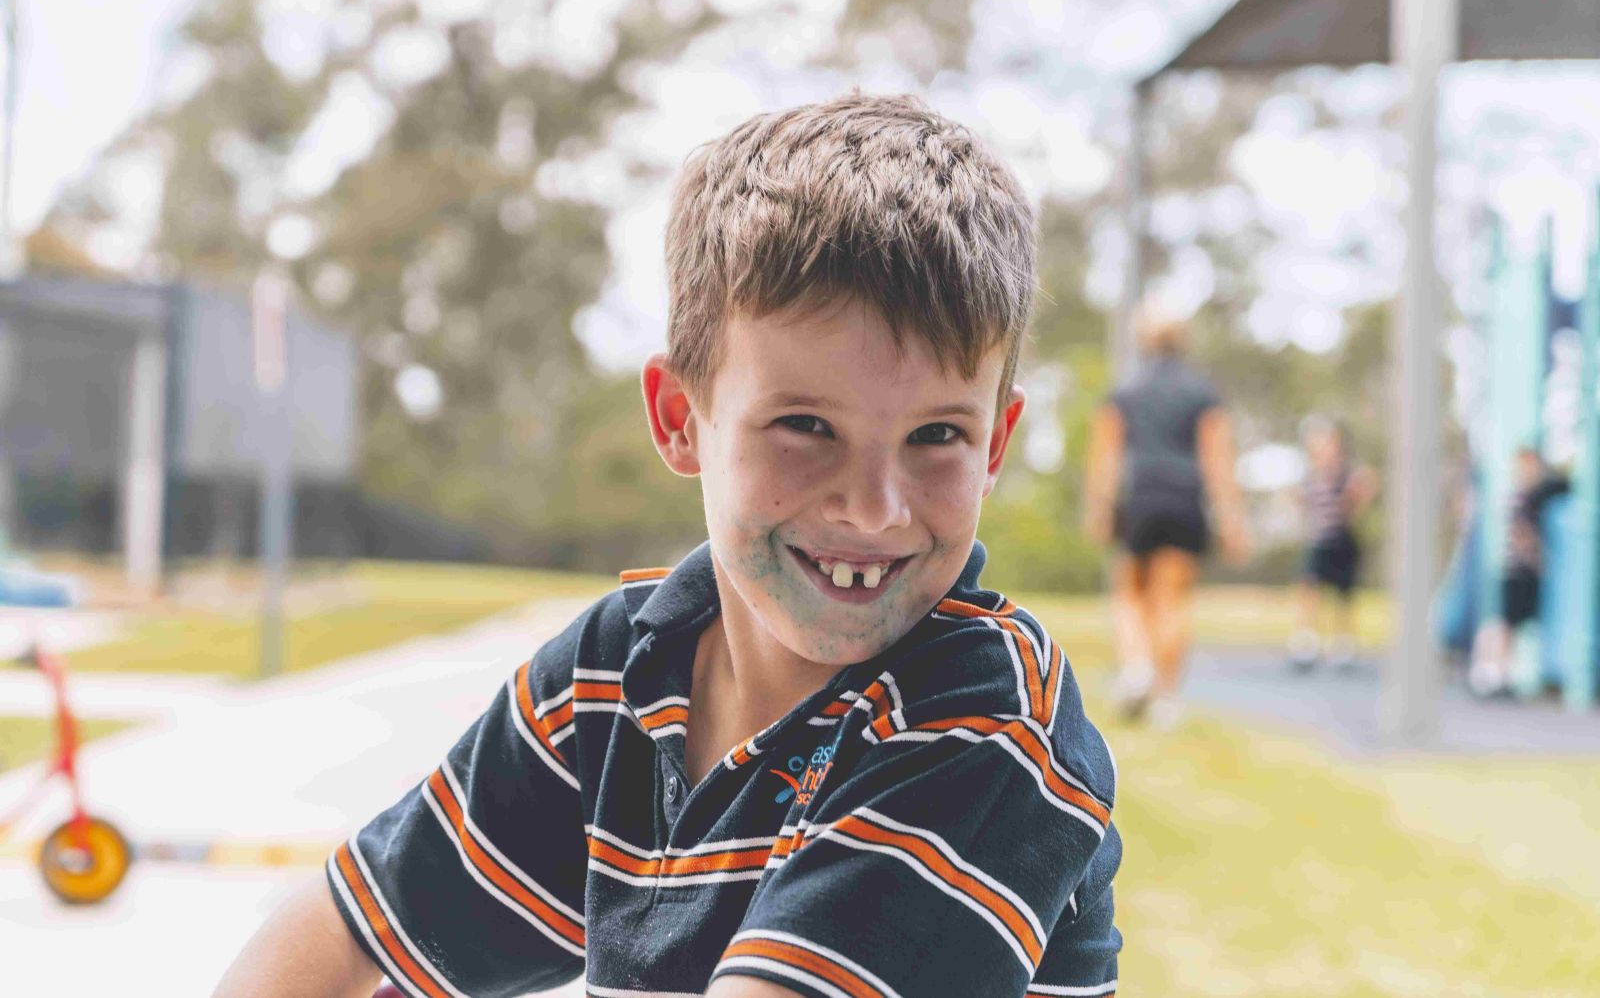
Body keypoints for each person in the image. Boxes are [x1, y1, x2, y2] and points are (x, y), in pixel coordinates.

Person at [213, 94, 1121, 998]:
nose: (875, 511)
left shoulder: (990, 718)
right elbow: (341, 924)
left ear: (995, 444)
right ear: (680, 418)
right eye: (806, 425)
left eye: (936, 438)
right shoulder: (615, 677)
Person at [1082, 301, 1248, 729]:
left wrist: (1099, 508)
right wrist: (1232, 520)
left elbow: (1107, 455)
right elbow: (1218, 460)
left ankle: (1136, 667)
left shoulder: (1125, 391)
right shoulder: (1202, 394)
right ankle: (1165, 700)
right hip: (1185, 501)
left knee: (1130, 594)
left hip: (1142, 498)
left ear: (1143, 340)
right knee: (1172, 600)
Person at [1469, 446, 1569, 698]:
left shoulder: (1523, 495)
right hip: (1517, 570)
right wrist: (1535, 556)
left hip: (1515, 569)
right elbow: (1521, 532)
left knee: (1508, 623)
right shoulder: (1523, 497)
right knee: (1505, 623)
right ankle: (1490, 672)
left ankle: (1495, 672)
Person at [1286, 414, 1378, 671]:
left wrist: (1351, 503)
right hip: (1318, 541)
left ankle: (1343, 642)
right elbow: (1298, 499)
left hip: (1342, 540)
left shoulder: (1345, 474)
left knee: (1343, 594)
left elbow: (1367, 483)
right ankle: (1305, 640)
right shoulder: (1310, 477)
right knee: (1309, 587)